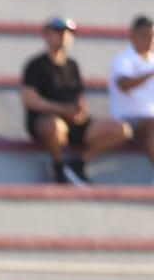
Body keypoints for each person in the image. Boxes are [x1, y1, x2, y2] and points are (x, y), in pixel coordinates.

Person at [20, 15, 129, 185]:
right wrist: (62, 109)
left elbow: (78, 96)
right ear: (47, 34)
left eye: (68, 32)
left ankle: (77, 163)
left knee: (122, 130)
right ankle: (58, 165)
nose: (64, 36)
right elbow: (29, 99)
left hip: (73, 123)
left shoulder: (72, 65)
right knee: (55, 127)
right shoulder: (36, 65)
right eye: (58, 31)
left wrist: (79, 111)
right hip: (47, 122)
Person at [109, 15, 154, 176]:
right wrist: (149, 74)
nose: (149, 40)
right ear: (132, 35)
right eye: (145, 35)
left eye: (152, 35)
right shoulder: (122, 59)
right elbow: (124, 84)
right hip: (127, 120)